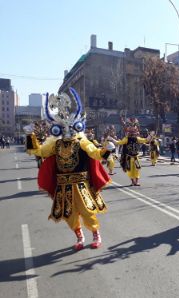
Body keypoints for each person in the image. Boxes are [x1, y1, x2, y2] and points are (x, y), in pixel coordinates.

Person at [25, 88, 113, 250]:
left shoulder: (81, 142)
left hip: (81, 185)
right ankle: (79, 237)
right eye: (63, 129)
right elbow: (39, 151)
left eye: (70, 128)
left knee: (87, 210)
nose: (67, 131)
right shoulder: (55, 144)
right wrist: (30, 136)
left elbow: (95, 154)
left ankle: (96, 234)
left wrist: (107, 150)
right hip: (63, 186)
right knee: (69, 215)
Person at [109, 118, 154, 186]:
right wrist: (112, 139)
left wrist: (151, 135)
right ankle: (133, 182)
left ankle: (136, 181)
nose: (132, 133)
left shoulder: (137, 139)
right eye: (131, 132)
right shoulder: (126, 139)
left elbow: (146, 140)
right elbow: (118, 143)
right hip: (129, 157)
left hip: (135, 157)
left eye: (134, 132)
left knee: (137, 169)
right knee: (130, 170)